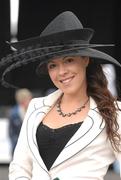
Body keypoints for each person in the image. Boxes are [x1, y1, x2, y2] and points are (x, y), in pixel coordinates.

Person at [0, 11, 121, 180]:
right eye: (53, 65)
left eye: (69, 60)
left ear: (85, 59)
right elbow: (20, 166)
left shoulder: (114, 113)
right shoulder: (36, 106)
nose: (61, 72)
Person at [8, 88, 33, 156]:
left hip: (33, 146)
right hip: (19, 146)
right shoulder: (14, 113)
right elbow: (11, 132)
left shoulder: (35, 110)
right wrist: (16, 144)